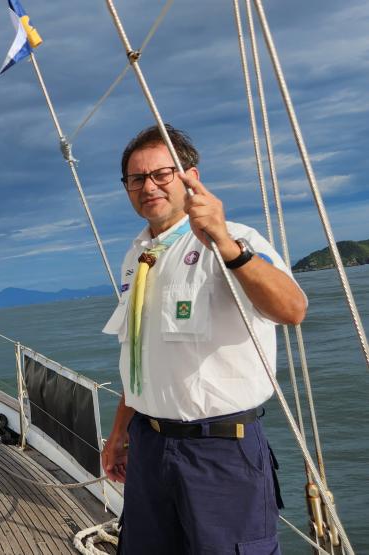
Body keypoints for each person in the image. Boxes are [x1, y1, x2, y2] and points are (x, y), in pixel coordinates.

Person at [100, 124, 307, 554]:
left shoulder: (235, 239)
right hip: (149, 446)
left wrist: (227, 246)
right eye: (136, 179)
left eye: (162, 174)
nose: (148, 186)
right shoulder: (137, 256)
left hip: (220, 453)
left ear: (189, 176)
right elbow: (139, 354)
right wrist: (119, 434)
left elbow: (292, 309)